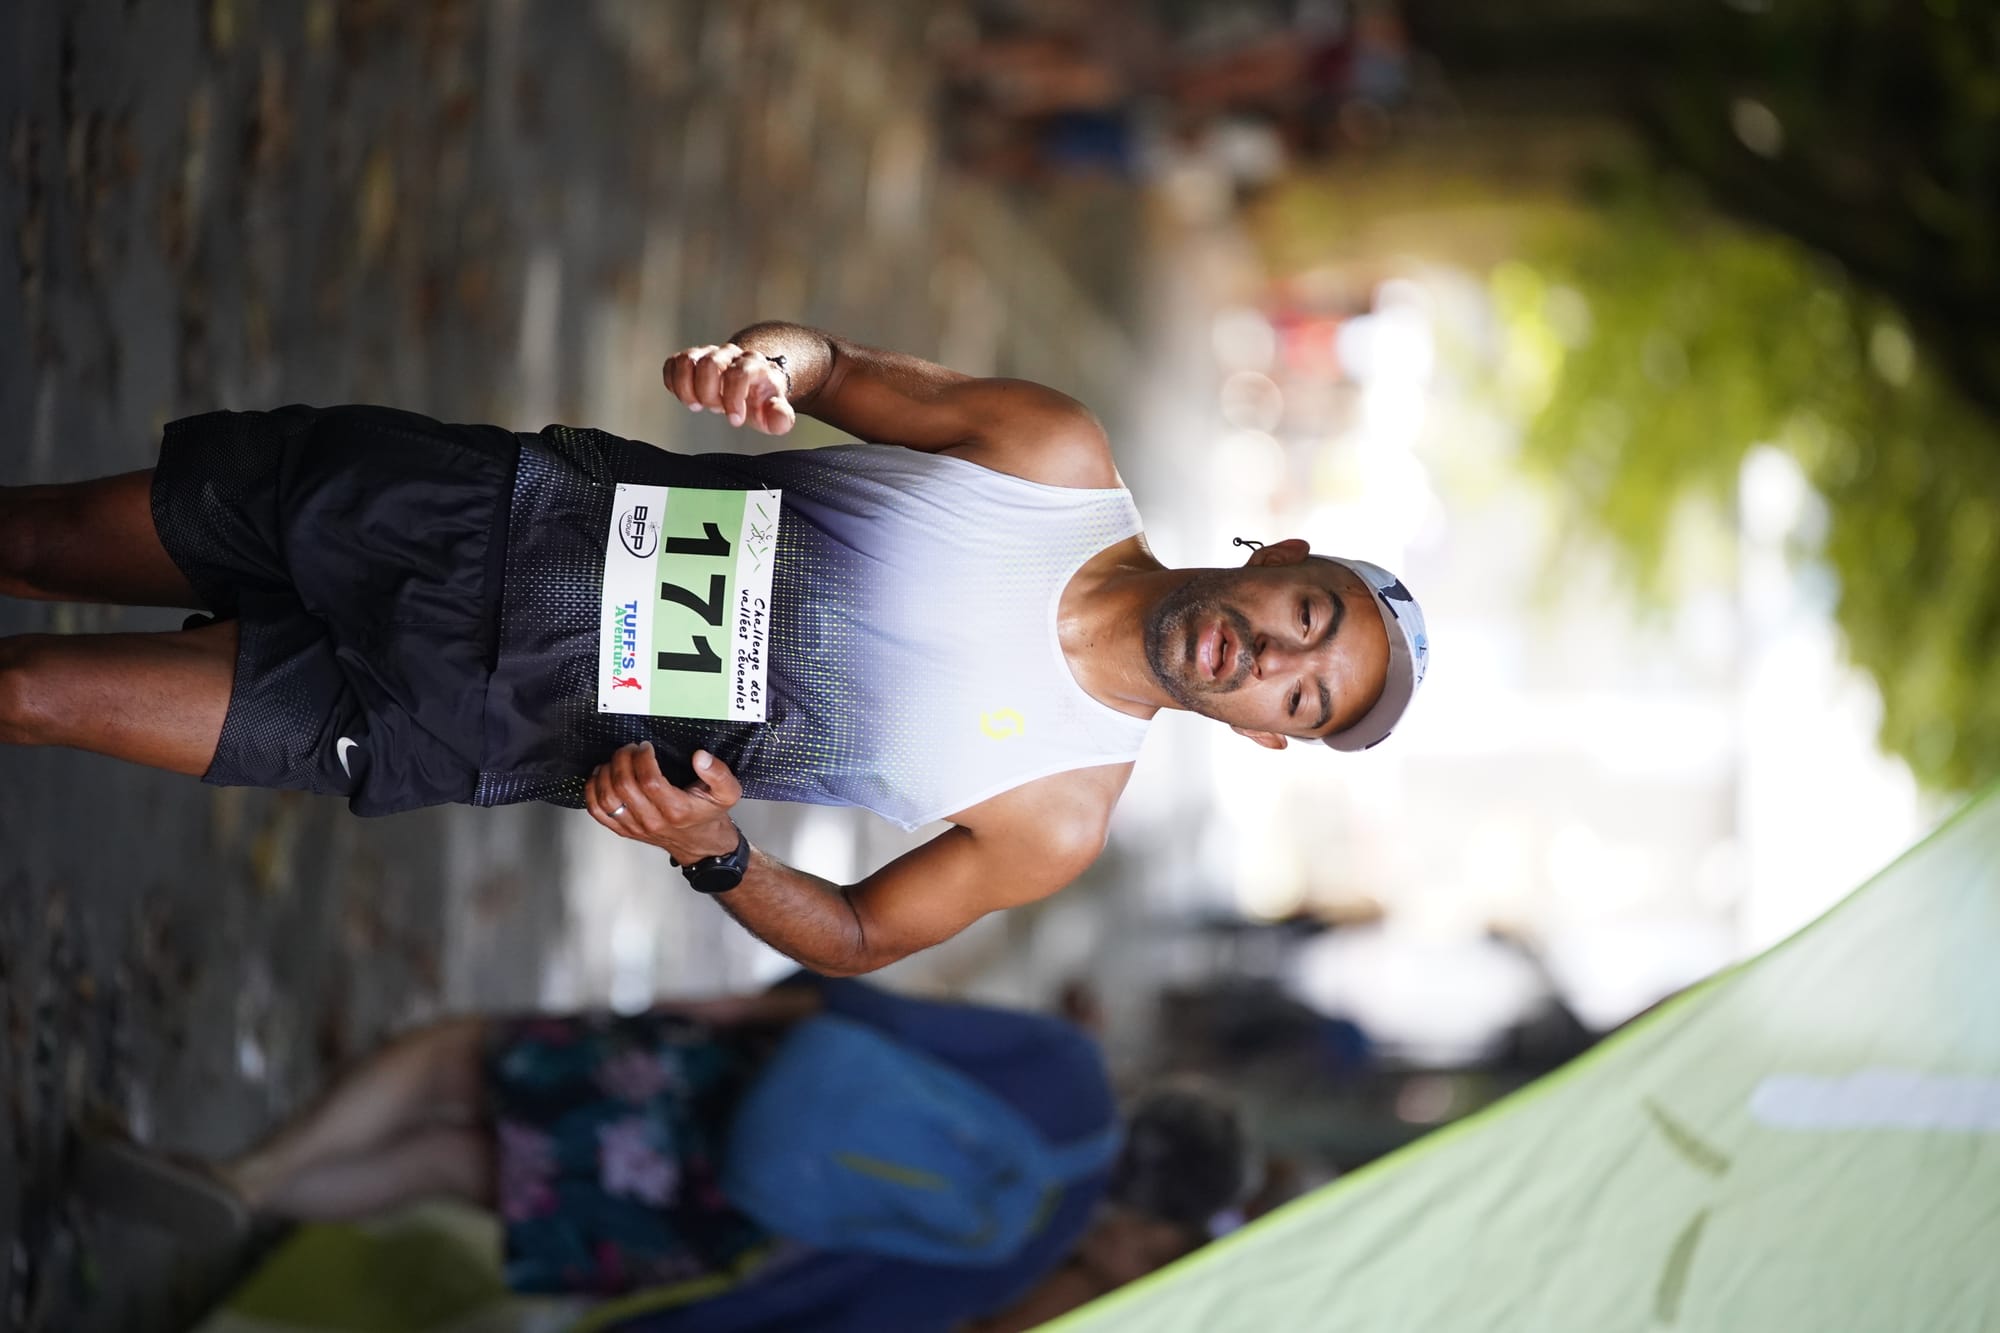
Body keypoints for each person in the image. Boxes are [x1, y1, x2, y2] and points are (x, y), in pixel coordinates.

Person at [0, 322, 1429, 973]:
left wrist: (716, 855)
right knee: (40, 540)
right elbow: (834, 369)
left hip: (480, 718)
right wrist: (766, 368)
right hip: (470, 511)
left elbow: (866, 936)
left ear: (1267, 739)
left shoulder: (1056, 811)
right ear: (1280, 559)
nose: (1269, 660)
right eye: (1309, 622)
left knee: (35, 692)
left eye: (1304, 697)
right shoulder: (1048, 455)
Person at [78, 977, 1249, 1333]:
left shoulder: (1068, 1072)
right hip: (718, 1206)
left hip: (718, 1082)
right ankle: (254, 1194)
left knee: (456, 1059)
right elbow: (845, 1303)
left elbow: (874, 1013)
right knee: (462, 1169)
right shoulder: (1018, 1258)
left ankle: (250, 1178)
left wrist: (736, 1006)